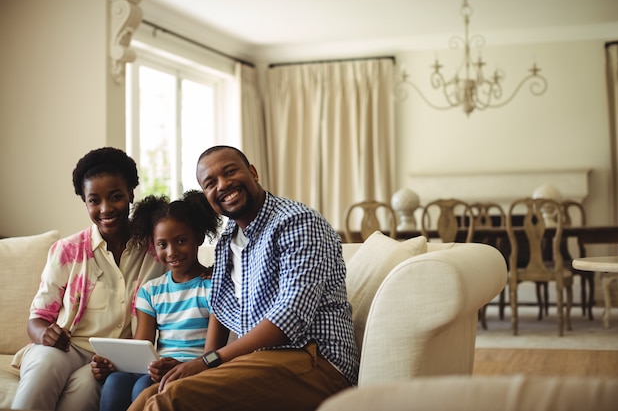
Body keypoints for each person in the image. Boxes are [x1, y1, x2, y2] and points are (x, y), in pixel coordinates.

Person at [128, 145, 359, 411]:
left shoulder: (296, 221)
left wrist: (207, 362)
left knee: (171, 399)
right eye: (210, 183)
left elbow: (289, 317)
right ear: (206, 195)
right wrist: (193, 364)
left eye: (230, 172)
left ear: (253, 172)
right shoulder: (229, 239)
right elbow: (224, 310)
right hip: (263, 361)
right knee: (151, 394)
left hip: (317, 360)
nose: (223, 185)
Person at [11, 147, 168, 411]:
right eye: (94, 200)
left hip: (113, 359)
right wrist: (45, 334)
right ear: (85, 201)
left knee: (83, 393)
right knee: (45, 366)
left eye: (116, 196)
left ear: (131, 193)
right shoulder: (67, 251)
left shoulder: (156, 251)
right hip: (66, 348)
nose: (106, 209)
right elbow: (36, 320)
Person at [93, 190, 222, 411]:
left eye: (181, 241)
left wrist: (184, 366)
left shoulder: (214, 287)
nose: (172, 252)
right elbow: (141, 348)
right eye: (162, 244)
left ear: (199, 237)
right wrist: (110, 365)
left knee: (142, 387)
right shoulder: (151, 292)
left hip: (195, 368)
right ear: (154, 245)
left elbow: (213, 353)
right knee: (115, 383)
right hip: (158, 368)